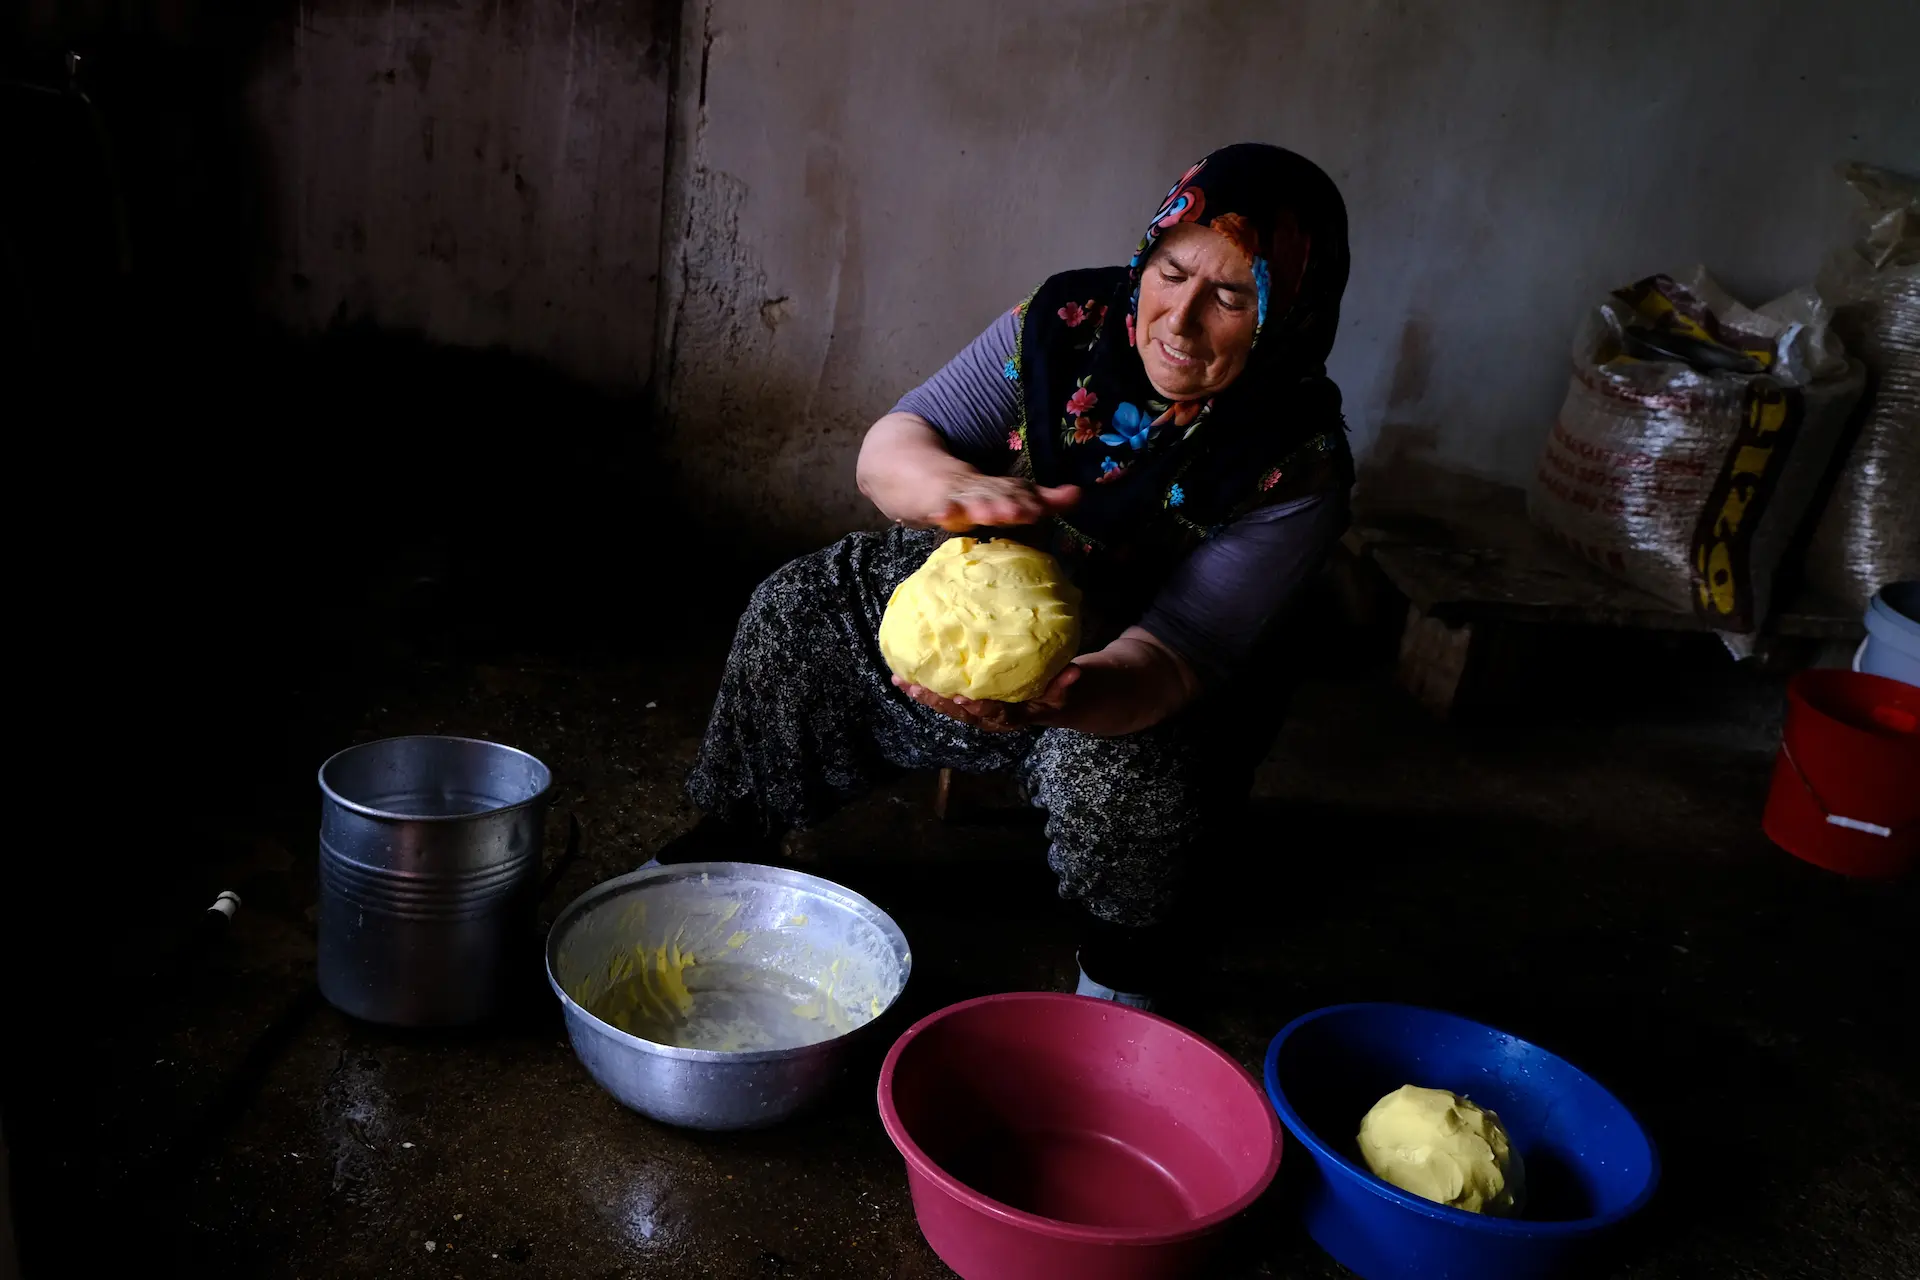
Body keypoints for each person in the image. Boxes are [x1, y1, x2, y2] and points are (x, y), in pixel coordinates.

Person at [655, 143, 1354, 1009]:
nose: (1177, 320)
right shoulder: (1067, 322)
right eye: (1171, 273)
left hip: (1147, 669)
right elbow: (892, 446)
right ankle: (736, 832)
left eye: (1232, 297)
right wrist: (954, 489)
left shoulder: (1299, 462)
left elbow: (1179, 654)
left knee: (1135, 775)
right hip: (1014, 579)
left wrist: (1053, 696)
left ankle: (1123, 965)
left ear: (1286, 314)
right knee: (798, 609)